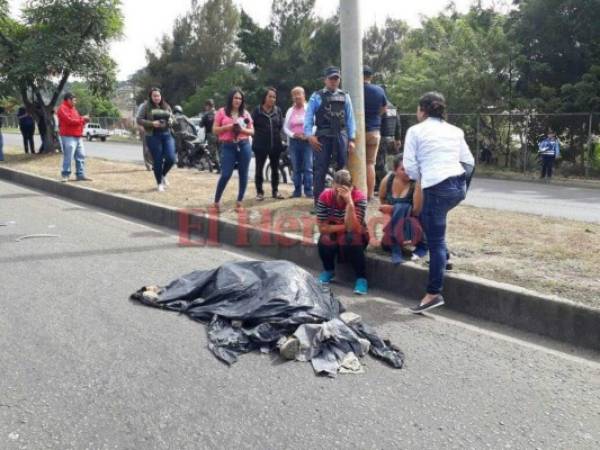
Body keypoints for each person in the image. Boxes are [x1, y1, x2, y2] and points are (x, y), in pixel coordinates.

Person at [403, 92, 474, 313]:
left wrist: (422, 179)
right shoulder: (455, 130)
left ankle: (433, 294)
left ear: (422, 110)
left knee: (435, 240)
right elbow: (469, 161)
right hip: (457, 187)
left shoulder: (415, 131)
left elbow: (410, 167)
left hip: (436, 187)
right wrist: (463, 188)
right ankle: (445, 260)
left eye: (417, 109)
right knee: (432, 225)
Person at [304, 66, 356, 207]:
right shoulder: (316, 96)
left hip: (341, 136)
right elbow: (308, 118)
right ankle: (319, 204)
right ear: (325, 79)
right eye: (331, 78)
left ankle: (341, 202)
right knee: (320, 170)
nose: (334, 81)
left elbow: (350, 119)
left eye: (336, 78)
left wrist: (351, 139)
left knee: (342, 170)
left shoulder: (345, 96)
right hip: (323, 137)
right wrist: (310, 136)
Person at [316, 169, 369, 295]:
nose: (339, 195)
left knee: (352, 238)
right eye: (336, 190)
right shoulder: (325, 196)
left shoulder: (359, 197)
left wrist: (349, 203)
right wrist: (343, 227)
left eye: (344, 191)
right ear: (332, 185)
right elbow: (322, 228)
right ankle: (329, 270)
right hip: (336, 233)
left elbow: (353, 228)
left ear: (351, 188)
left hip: (356, 235)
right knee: (324, 239)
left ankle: (361, 278)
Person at [212, 88, 254, 210]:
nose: (237, 100)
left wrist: (242, 130)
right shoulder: (221, 112)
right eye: (235, 98)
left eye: (240, 98)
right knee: (225, 174)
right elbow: (214, 130)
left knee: (243, 174)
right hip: (228, 146)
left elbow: (252, 131)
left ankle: (239, 202)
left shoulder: (245, 114)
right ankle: (216, 201)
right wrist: (228, 127)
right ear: (231, 98)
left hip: (244, 144)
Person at [378, 154, 423, 262]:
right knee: (385, 245)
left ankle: (397, 246)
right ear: (395, 170)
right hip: (394, 222)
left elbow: (417, 210)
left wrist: (394, 209)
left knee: (402, 207)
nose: (407, 172)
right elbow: (382, 199)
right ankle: (394, 241)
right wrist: (389, 214)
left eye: (410, 169)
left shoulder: (416, 182)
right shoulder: (387, 180)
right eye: (403, 169)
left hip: (412, 223)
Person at [136, 88, 176, 192]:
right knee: (157, 160)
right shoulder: (145, 106)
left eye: (158, 95)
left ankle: (163, 175)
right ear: (151, 96)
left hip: (167, 134)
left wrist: (171, 120)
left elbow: (173, 118)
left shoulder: (166, 106)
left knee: (171, 158)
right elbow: (139, 120)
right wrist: (152, 123)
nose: (157, 98)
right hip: (153, 135)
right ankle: (159, 183)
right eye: (154, 96)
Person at [252, 87, 285, 200]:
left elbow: (280, 126)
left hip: (275, 145)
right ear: (264, 98)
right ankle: (259, 192)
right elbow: (251, 126)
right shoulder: (257, 110)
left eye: (274, 97)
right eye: (270, 96)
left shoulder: (278, 110)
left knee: (275, 169)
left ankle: (275, 191)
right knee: (259, 169)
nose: (272, 99)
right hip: (260, 145)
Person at [363, 66, 388, 200]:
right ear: (370, 76)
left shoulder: (354, 89)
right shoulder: (379, 90)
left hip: (358, 132)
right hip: (374, 131)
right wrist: (376, 117)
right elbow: (384, 108)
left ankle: (358, 193)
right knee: (370, 164)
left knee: (354, 162)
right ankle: (370, 194)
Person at [283, 86, 313, 198]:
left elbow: (315, 125)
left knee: (308, 167)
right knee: (296, 168)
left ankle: (309, 191)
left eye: (298, 94)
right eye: (294, 95)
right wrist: (293, 134)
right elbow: (285, 127)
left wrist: (308, 134)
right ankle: (297, 191)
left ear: (304, 95)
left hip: (307, 142)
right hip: (294, 142)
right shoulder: (290, 111)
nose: (296, 96)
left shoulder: (309, 109)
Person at [57, 92, 91, 182]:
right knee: (69, 156)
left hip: (77, 136)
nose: (75, 102)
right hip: (68, 136)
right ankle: (65, 174)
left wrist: (84, 121)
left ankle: (80, 175)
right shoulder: (62, 109)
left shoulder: (74, 109)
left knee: (81, 155)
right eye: (74, 100)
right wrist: (82, 119)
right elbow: (69, 121)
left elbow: (77, 121)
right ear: (68, 100)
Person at [375, 97, 402, 189]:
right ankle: (380, 185)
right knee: (382, 163)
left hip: (381, 136)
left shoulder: (380, 105)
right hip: (390, 137)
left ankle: (388, 186)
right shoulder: (392, 107)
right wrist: (398, 138)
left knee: (379, 165)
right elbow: (397, 123)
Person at [200, 99, 219, 172]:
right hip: (220, 134)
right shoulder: (218, 113)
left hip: (211, 135)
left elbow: (201, 125)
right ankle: (222, 167)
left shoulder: (206, 115)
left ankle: (218, 168)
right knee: (220, 151)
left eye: (206, 106)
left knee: (213, 152)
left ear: (208, 106)